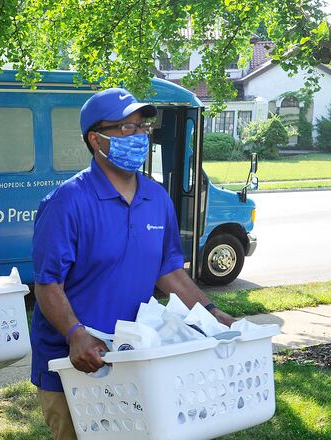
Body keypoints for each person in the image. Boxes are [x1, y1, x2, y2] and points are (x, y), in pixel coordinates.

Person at [29, 88, 236, 440]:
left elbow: (169, 271)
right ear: (96, 139)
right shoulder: (67, 202)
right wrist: (76, 335)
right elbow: (48, 284)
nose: (139, 136)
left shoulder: (156, 198)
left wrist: (214, 315)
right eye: (126, 128)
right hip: (75, 362)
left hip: (133, 357)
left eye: (142, 127)